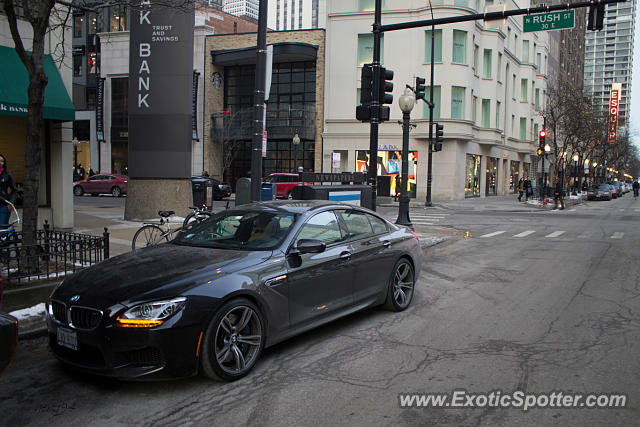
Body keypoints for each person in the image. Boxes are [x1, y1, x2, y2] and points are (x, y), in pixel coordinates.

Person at [0, 154, 18, 226]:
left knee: (2, 229)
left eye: (2, 161)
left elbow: (14, 190)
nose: (0, 162)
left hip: (4, 205)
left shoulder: (7, 175)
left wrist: (11, 203)